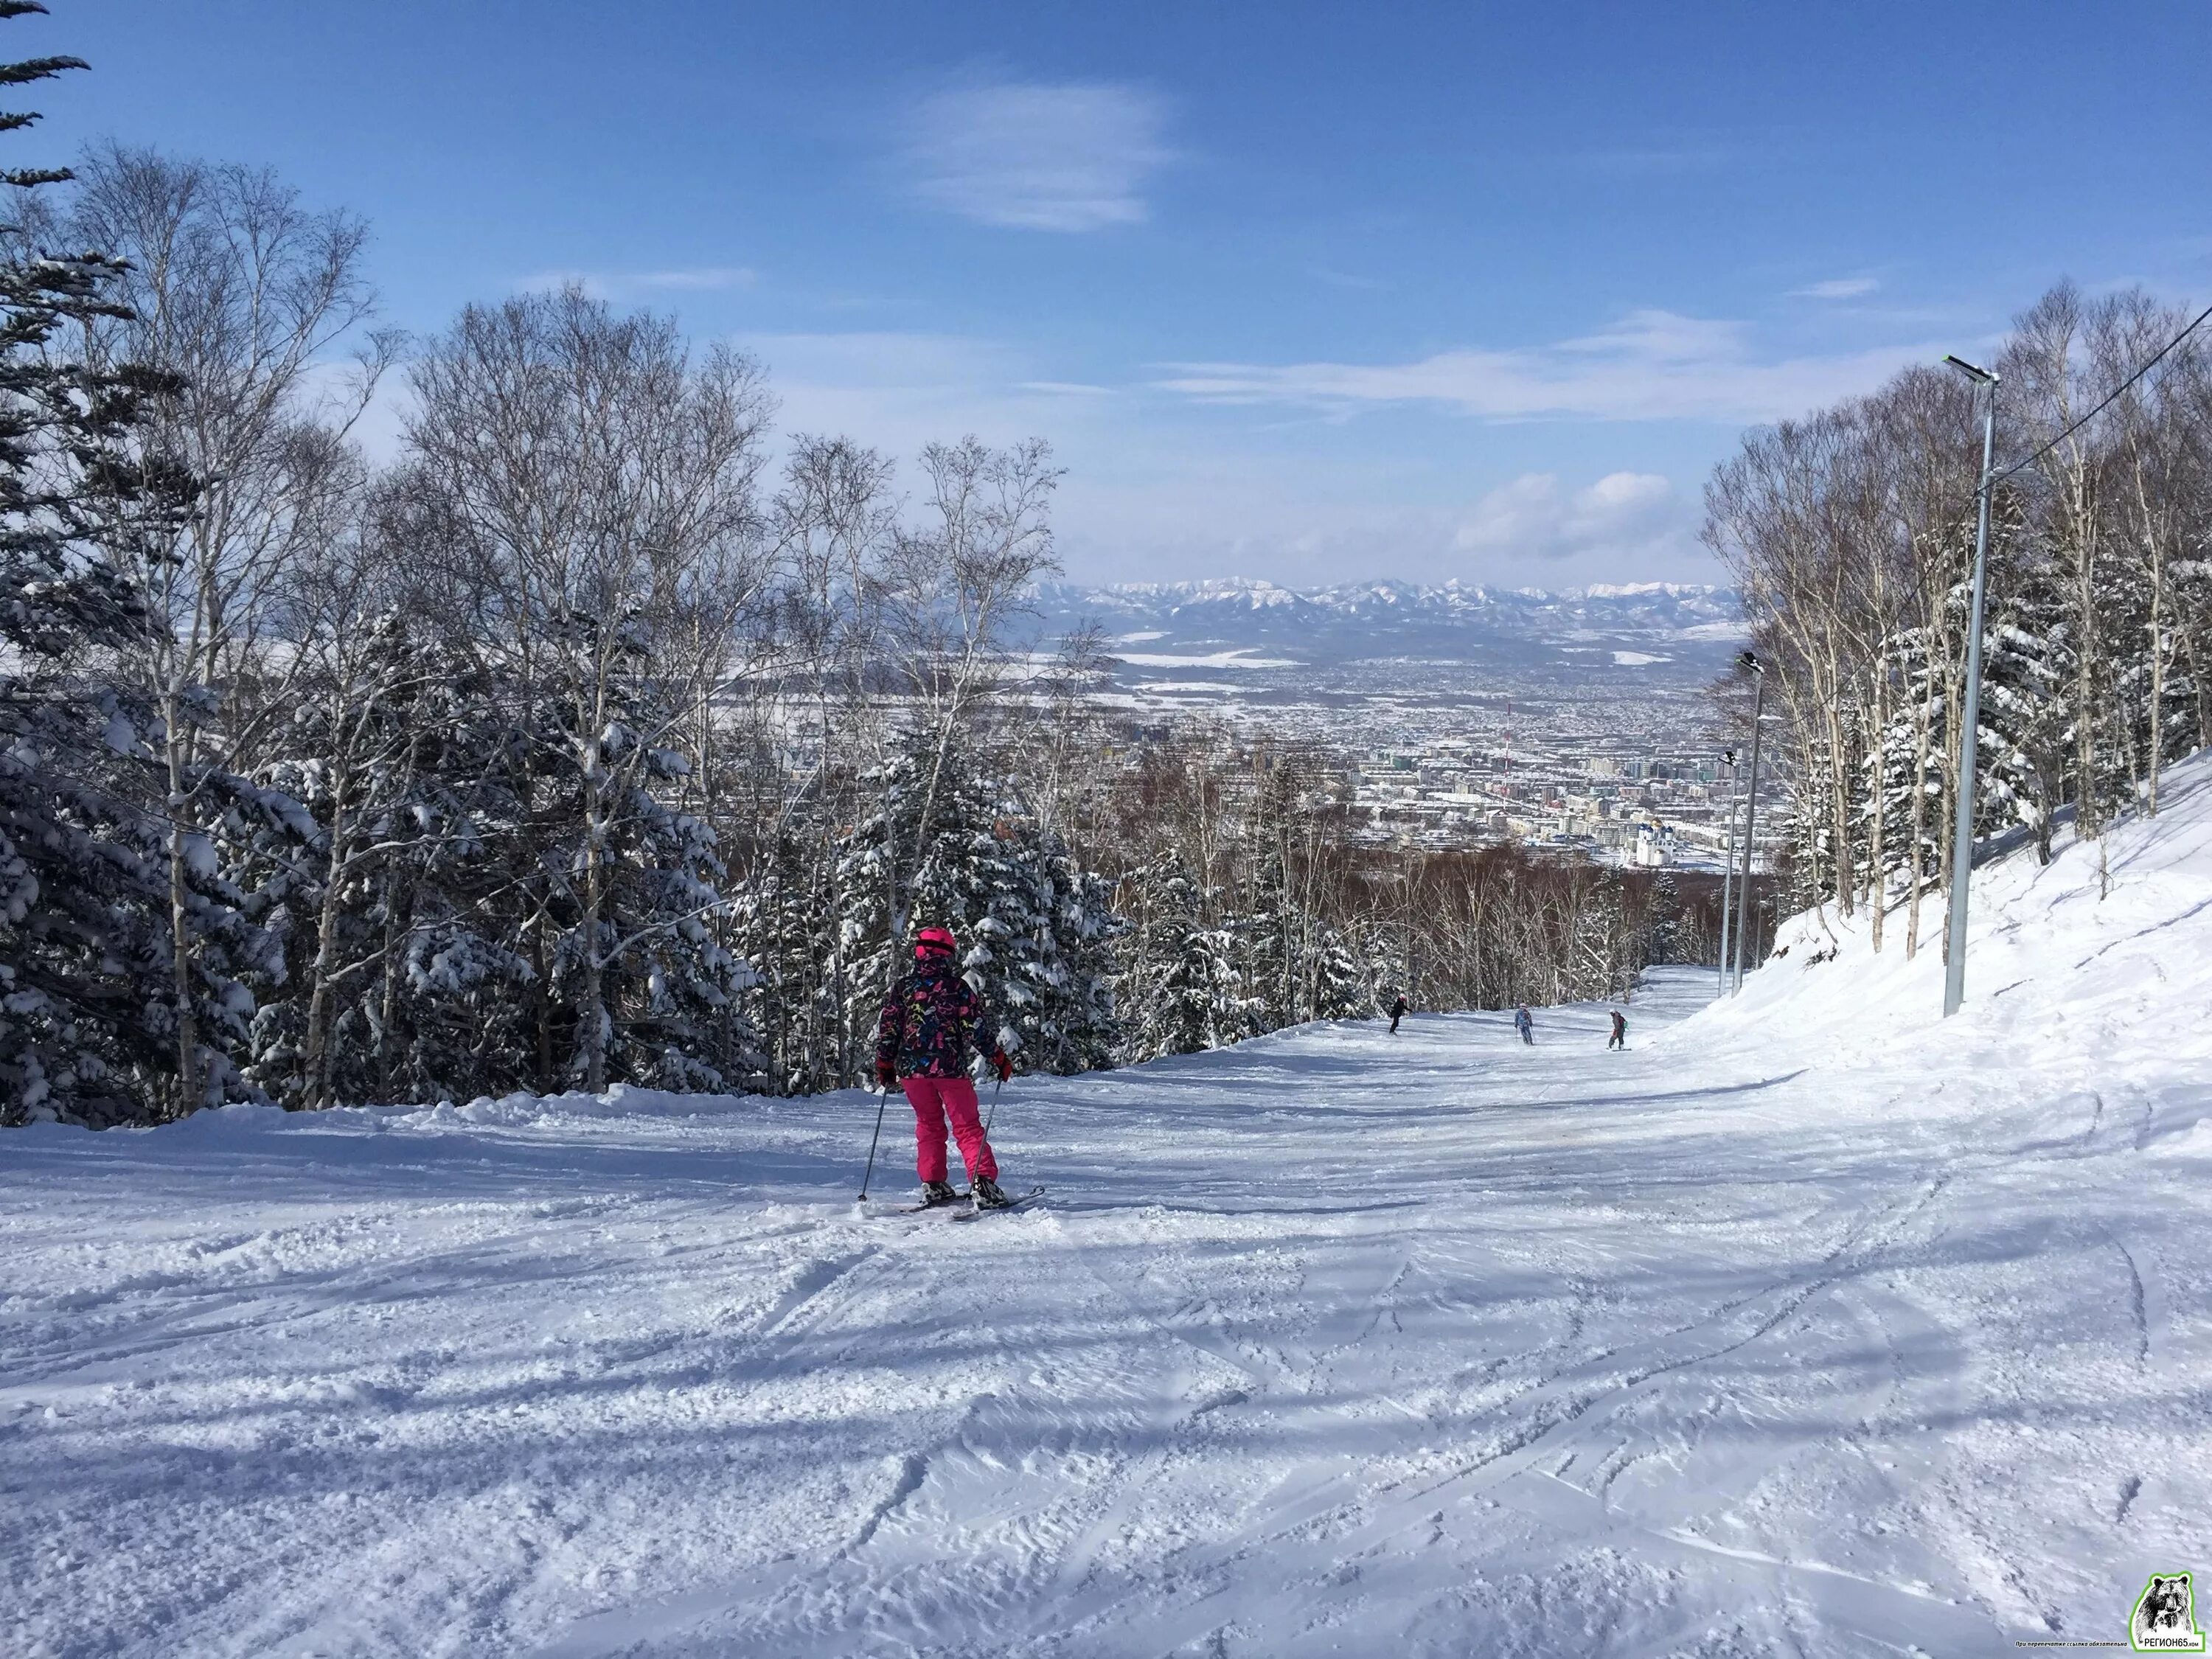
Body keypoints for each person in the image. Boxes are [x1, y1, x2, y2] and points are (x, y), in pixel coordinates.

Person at [875, 925, 1015, 1208]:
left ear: (918, 953)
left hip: (912, 1072)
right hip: (950, 1069)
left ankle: (934, 1182)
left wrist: (885, 1064)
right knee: (967, 1126)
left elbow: (889, 1028)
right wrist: (998, 1058)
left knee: (928, 1124)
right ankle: (983, 1182)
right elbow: (976, 1029)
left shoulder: (903, 988)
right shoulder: (956, 988)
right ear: (948, 956)